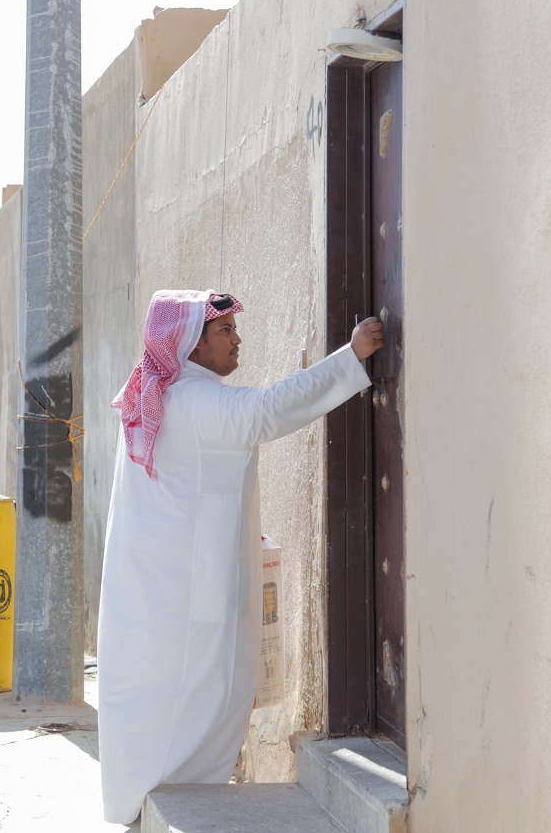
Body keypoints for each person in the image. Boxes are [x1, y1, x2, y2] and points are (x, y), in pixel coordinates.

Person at [96, 289, 384, 824]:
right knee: (196, 702)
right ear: (191, 342)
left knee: (164, 706)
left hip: (157, 597)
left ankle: (143, 802)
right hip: (186, 602)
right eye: (224, 330)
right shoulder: (191, 400)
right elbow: (268, 410)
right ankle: (166, 803)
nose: (237, 339)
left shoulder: (156, 395)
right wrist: (350, 357)